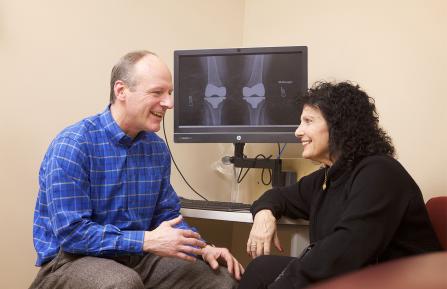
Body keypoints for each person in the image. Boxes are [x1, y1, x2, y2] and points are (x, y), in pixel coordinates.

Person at [30, 50, 243, 289]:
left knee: (221, 280)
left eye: (170, 93)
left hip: (137, 258)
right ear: (121, 91)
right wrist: (146, 240)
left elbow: (168, 217)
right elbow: (73, 235)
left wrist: (204, 248)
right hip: (70, 261)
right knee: (122, 283)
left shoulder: (156, 150)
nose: (169, 103)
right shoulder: (73, 144)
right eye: (157, 92)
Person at [237, 81, 442, 289]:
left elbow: (345, 250)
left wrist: (284, 284)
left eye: (308, 121)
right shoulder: (328, 176)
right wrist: (264, 214)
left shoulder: (380, 173)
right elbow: (279, 196)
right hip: (360, 277)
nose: (298, 131)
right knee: (261, 268)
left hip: (403, 282)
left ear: (339, 126)